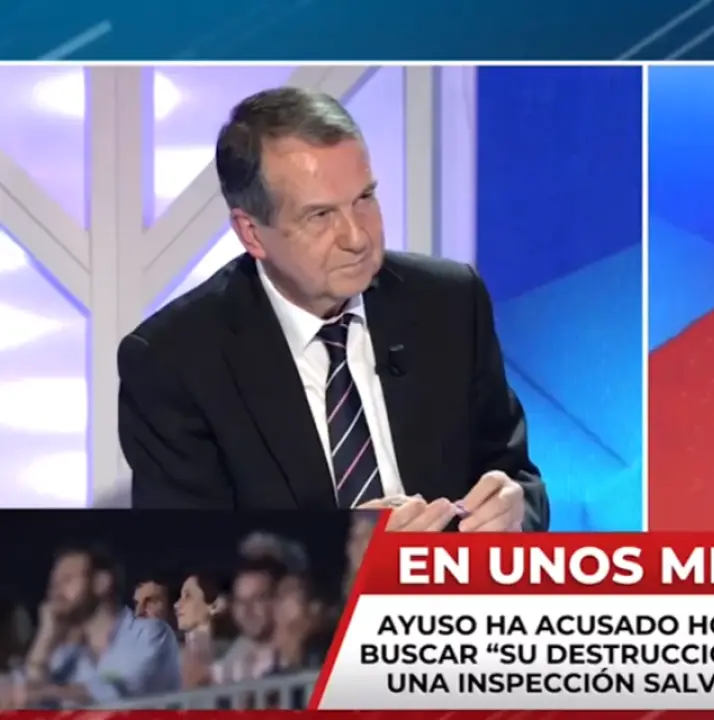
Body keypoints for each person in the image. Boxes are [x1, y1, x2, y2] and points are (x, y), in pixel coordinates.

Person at [117, 86, 548, 532]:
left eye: (365, 199)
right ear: (252, 233)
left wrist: (517, 513)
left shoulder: (449, 303)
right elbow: (184, 558)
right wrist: (337, 556)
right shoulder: (174, 362)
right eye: (320, 215)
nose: (357, 238)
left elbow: (516, 475)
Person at [6, 545, 181, 707]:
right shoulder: (65, 655)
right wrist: (44, 640)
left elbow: (125, 694)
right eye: (53, 584)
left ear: (102, 583)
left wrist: (47, 692)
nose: (55, 592)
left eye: (67, 580)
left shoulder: (149, 633)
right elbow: (26, 702)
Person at [173, 571, 228, 689]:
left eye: (188, 596)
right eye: (180, 597)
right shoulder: (172, 656)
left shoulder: (230, 653)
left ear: (214, 606)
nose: (177, 605)